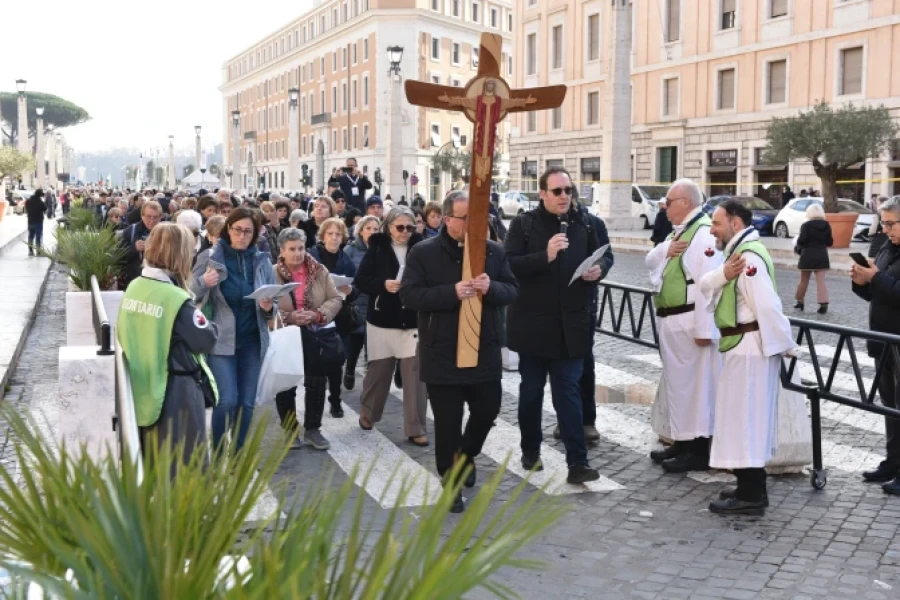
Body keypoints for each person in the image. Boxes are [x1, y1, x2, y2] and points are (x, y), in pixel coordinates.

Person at [400, 191, 519, 512]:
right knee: (448, 424)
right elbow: (410, 295)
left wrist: (490, 288)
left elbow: (512, 290)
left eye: (477, 219)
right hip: (442, 352)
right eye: (466, 219)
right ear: (448, 219)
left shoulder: (493, 251)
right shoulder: (423, 253)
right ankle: (450, 481)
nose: (472, 225)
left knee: (487, 411)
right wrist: (450, 292)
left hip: (484, 351)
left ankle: (466, 458)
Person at [503, 166, 603, 484]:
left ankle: (577, 462)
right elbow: (508, 265)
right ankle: (530, 450)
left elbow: (606, 254)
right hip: (533, 326)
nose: (564, 197)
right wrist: (544, 256)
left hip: (572, 326)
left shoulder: (586, 223)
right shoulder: (523, 224)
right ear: (542, 193)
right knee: (531, 392)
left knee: (568, 393)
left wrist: (598, 269)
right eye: (557, 191)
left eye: (568, 190)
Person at [699, 200, 797, 515]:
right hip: (742, 347)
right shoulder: (736, 256)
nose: (711, 230)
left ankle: (753, 494)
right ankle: (745, 484)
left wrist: (785, 344)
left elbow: (767, 306)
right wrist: (723, 275)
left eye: (716, 223)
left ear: (736, 224)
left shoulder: (747, 257)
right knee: (738, 419)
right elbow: (706, 283)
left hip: (751, 349)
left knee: (746, 421)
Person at [117, 223, 218, 474]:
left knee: (154, 463)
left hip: (143, 385)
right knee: (185, 467)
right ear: (179, 254)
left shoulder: (135, 286)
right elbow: (204, 339)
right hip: (176, 390)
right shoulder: (175, 298)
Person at [645, 179, 723, 472]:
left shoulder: (702, 236)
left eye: (669, 200)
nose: (664, 206)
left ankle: (698, 449)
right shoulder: (681, 232)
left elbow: (709, 286)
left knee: (696, 387)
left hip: (690, 321)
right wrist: (665, 250)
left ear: (686, 203)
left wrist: (705, 330)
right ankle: (681, 441)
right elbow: (651, 259)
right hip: (673, 319)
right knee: (679, 386)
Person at [191, 207, 276, 452]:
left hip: (252, 340)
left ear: (255, 234)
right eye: (238, 229)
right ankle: (217, 452)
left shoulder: (261, 261)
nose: (242, 236)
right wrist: (203, 283)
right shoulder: (210, 258)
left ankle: (237, 453)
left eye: (248, 231)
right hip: (220, 341)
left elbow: (273, 305)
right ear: (228, 229)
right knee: (226, 400)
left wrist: (268, 307)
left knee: (247, 403)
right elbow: (189, 293)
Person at [355, 207, 429, 446]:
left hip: (412, 318)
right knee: (379, 373)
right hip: (382, 319)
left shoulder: (422, 248)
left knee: (415, 376)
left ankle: (415, 427)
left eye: (410, 227)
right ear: (388, 227)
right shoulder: (377, 247)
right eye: (400, 227)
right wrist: (383, 285)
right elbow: (362, 280)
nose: (405, 232)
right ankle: (368, 413)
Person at [273, 228, 343, 450]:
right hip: (286, 333)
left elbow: (334, 298)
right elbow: (264, 303)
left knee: (316, 381)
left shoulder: (319, 270)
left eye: (301, 248)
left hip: (315, 332)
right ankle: (290, 430)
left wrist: (316, 314)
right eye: (292, 249)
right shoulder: (271, 272)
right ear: (282, 251)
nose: (297, 253)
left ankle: (313, 429)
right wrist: (289, 316)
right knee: (286, 383)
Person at [851, 196, 900, 495]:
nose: (886, 229)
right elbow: (878, 293)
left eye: (892, 223)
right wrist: (862, 280)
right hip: (883, 341)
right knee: (891, 407)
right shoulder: (887, 247)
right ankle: (893, 462)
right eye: (883, 223)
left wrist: (876, 278)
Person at [309, 217, 358, 417]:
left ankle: (335, 400)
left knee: (337, 361)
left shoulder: (345, 259)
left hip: (339, 315)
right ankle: (315, 405)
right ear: (323, 236)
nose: (334, 238)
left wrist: (350, 289)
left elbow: (356, 289)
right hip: (316, 313)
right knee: (317, 363)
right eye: (330, 234)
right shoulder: (312, 256)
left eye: (338, 234)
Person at [343, 215, 380, 389]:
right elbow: (345, 275)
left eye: (376, 229)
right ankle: (349, 370)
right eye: (368, 228)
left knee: (372, 345)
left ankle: (370, 382)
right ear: (361, 231)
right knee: (355, 342)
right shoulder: (351, 250)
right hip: (357, 302)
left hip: (376, 302)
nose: (372, 232)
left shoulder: (382, 249)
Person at [793, 203, 832, 313]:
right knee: (821, 281)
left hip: (807, 255)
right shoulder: (826, 225)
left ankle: (800, 301)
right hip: (822, 255)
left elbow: (802, 241)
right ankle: (823, 303)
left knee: (804, 280)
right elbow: (830, 242)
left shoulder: (806, 225)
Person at [121, 200, 163, 287]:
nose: (152, 221)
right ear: (142, 216)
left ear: (160, 217)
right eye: (148, 217)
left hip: (158, 281)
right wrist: (134, 248)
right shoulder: (131, 231)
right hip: (134, 281)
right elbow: (119, 256)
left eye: (155, 217)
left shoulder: (166, 233)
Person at [25, 189, 47, 256]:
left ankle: (30, 251)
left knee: (30, 236)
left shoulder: (28, 201)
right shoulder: (40, 202)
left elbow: (27, 208)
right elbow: (45, 208)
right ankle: (38, 251)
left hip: (30, 221)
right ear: (40, 195)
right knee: (38, 236)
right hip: (38, 222)